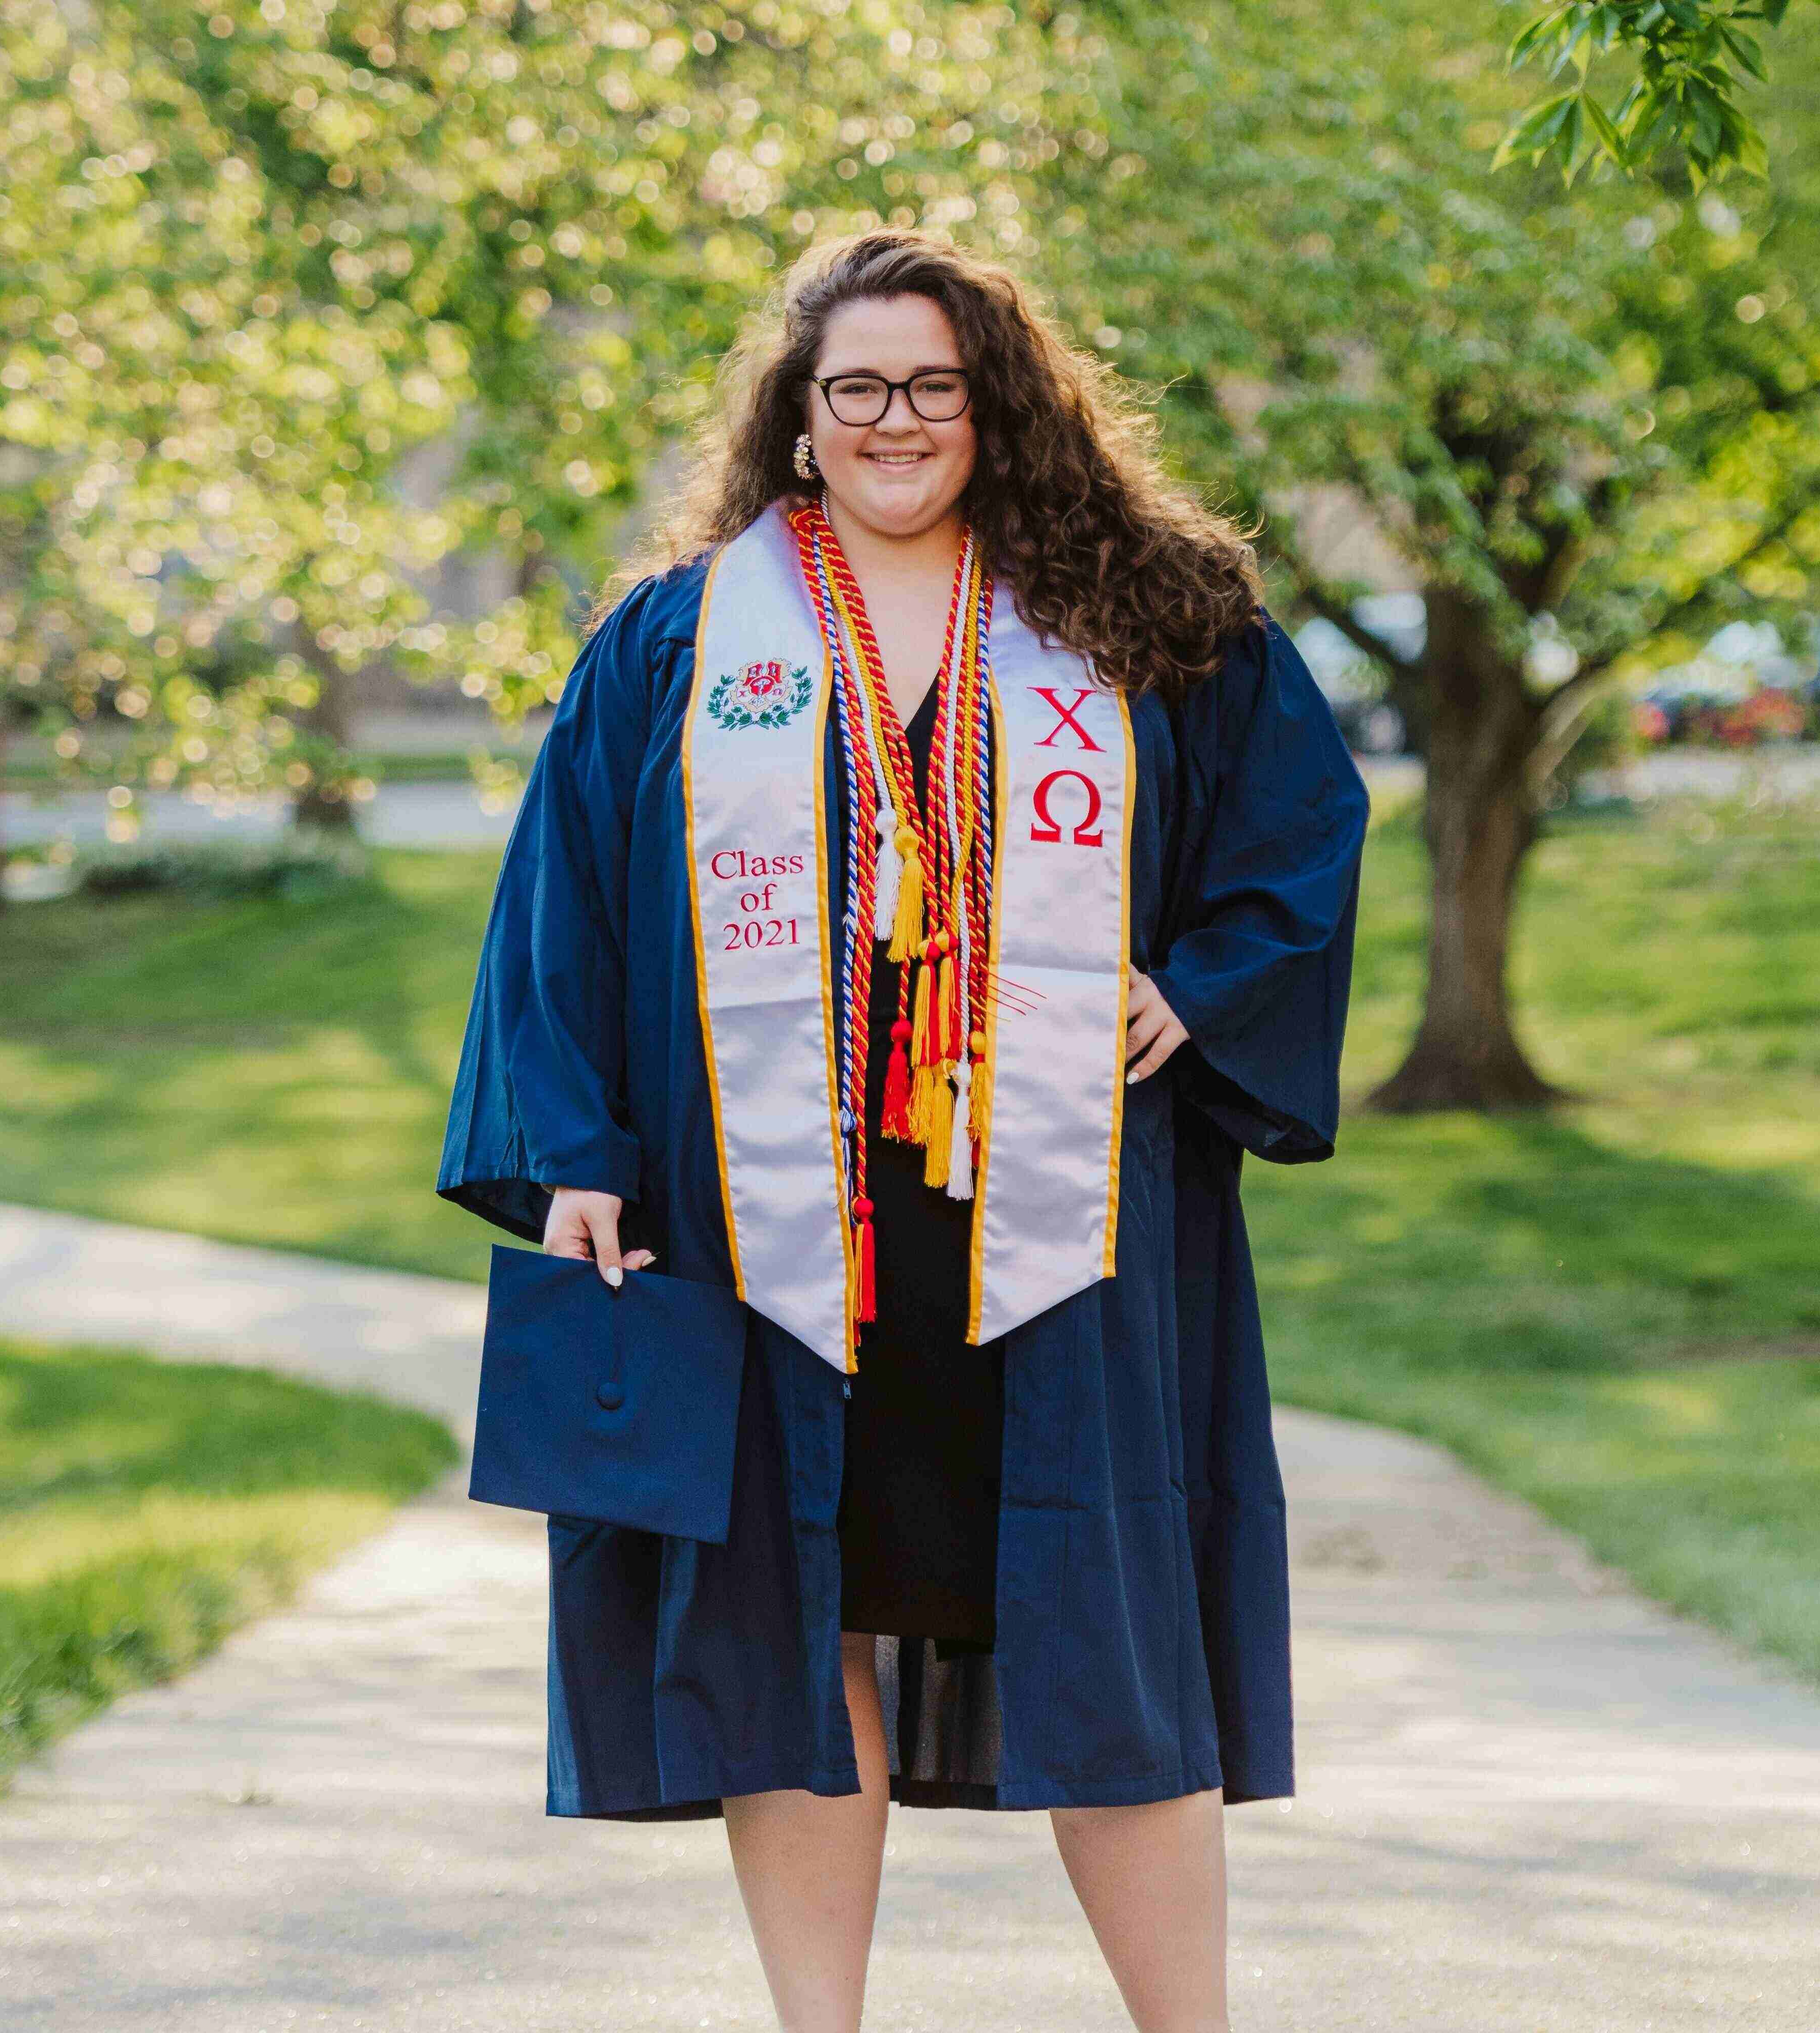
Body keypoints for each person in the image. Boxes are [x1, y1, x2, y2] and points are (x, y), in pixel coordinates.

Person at [439, 228, 1370, 2033]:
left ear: (995, 405)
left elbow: (1301, 833)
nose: (893, 419)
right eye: (853, 385)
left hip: (1068, 1232)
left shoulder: (1145, 615)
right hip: (774, 1226)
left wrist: (1199, 983)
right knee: (803, 1632)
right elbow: (558, 906)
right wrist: (577, 1154)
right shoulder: (683, 636)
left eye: (933, 384)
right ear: (799, 417)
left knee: (1110, 1629)